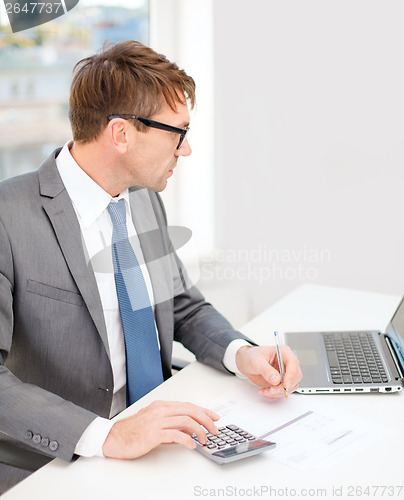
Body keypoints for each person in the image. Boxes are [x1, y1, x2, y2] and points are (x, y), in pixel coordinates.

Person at [0, 40, 302, 493]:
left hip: (159, 437)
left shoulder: (143, 201)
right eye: (176, 132)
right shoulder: (8, 217)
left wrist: (241, 354)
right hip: (58, 462)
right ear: (120, 134)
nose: (186, 150)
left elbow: (180, 304)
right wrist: (110, 435)